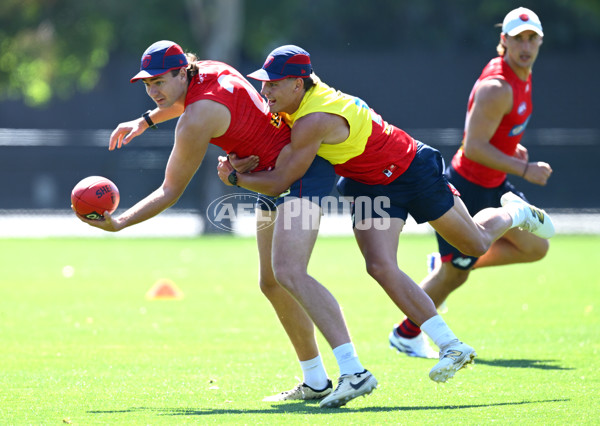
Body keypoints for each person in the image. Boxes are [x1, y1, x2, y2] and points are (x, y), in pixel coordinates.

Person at [217, 43, 555, 392]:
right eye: (264, 82)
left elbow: (281, 179)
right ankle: (451, 346)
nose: (264, 90)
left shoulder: (313, 118)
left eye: (273, 84)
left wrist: (234, 177)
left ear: (298, 85)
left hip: (411, 169)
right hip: (369, 185)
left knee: (474, 243)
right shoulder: (296, 100)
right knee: (379, 265)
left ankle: (513, 211)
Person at [74, 40, 378, 408]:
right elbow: (192, 100)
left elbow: (170, 190)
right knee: (272, 282)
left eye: (159, 82)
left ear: (181, 72)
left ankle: (354, 370)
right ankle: (315, 380)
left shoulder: (195, 120)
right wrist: (145, 120)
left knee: (290, 272)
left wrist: (120, 222)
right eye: (147, 84)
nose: (153, 91)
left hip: (297, 173)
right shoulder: (211, 70)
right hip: (269, 173)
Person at [388, 7, 553, 359]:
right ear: (503, 41)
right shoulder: (498, 86)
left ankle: (448, 262)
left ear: (539, 41)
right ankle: (405, 334)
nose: (525, 45)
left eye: (531, 38)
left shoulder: (522, 73)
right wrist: (525, 170)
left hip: (494, 186)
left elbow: (494, 133)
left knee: (536, 246)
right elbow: (475, 147)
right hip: (470, 188)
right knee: (453, 278)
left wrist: (510, 145)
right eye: (517, 38)